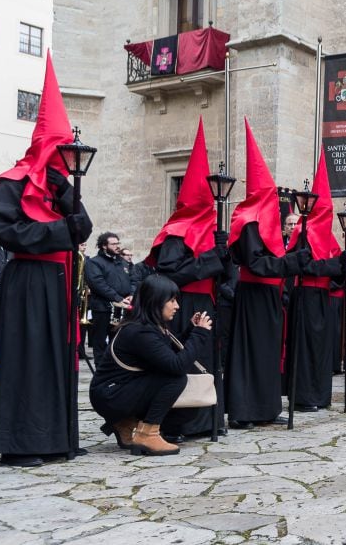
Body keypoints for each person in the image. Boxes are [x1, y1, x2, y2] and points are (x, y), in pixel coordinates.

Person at [0, 54, 94, 467]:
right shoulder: (10, 185)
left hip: (59, 281)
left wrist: (65, 190)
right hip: (29, 280)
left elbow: (84, 226)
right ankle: (19, 443)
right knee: (27, 359)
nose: (64, 157)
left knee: (57, 358)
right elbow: (9, 233)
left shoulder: (60, 184)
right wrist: (60, 229)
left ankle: (57, 437)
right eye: (59, 149)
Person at [226, 121, 310, 428]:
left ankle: (265, 406)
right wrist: (291, 263)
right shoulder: (249, 221)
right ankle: (246, 410)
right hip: (254, 295)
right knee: (252, 353)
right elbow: (257, 263)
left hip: (270, 296)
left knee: (268, 353)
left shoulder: (263, 219)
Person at [145, 120, 226, 439]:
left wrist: (224, 256)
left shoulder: (210, 230)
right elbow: (169, 274)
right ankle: (176, 423)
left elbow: (219, 269)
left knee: (205, 362)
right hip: (180, 306)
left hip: (205, 302)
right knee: (183, 361)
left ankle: (207, 420)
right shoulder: (175, 233)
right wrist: (210, 260)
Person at [89, 275, 213, 456]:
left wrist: (190, 331)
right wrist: (200, 334)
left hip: (114, 392)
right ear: (156, 301)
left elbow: (166, 354)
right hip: (110, 395)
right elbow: (176, 366)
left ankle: (125, 423)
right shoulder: (140, 331)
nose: (177, 306)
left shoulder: (147, 327)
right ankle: (148, 433)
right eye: (172, 300)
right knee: (175, 379)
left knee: (185, 409)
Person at [284, 153, 346, 411]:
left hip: (322, 298)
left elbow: (335, 271)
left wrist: (344, 266)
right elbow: (305, 265)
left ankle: (320, 395)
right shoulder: (302, 230)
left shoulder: (329, 236)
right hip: (305, 297)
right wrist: (334, 265)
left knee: (322, 349)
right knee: (306, 347)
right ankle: (303, 397)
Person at [85, 232, 134, 366]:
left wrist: (132, 293)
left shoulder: (123, 262)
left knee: (118, 341)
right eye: (113, 244)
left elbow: (134, 279)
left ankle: (116, 368)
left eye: (118, 243)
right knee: (100, 342)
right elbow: (98, 284)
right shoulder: (94, 263)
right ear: (104, 246)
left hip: (122, 308)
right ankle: (101, 370)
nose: (117, 246)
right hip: (103, 308)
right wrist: (117, 298)